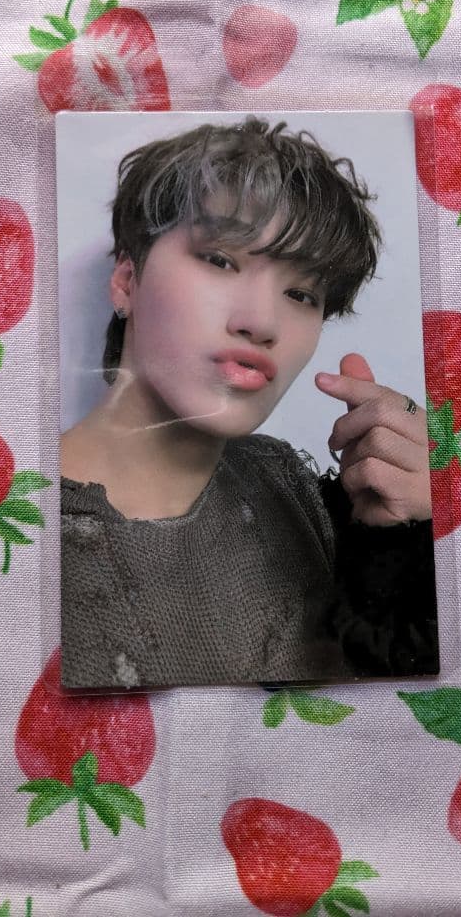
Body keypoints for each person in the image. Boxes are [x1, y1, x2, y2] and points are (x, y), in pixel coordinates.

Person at [59, 115, 438, 690]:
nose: (262, 322)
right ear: (127, 281)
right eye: (219, 260)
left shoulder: (299, 495)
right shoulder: (8, 521)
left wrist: (396, 544)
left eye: (301, 293)